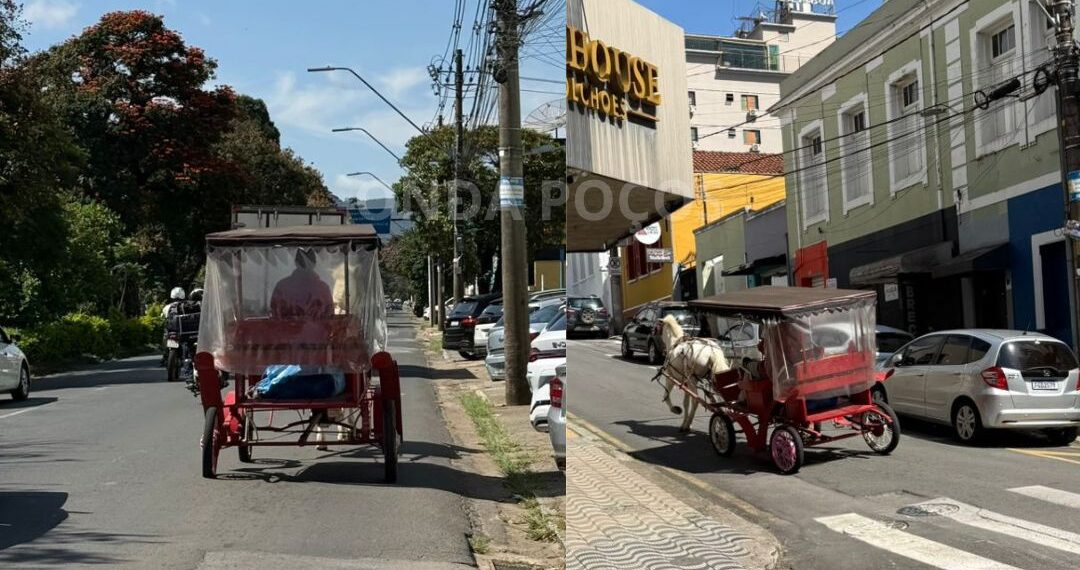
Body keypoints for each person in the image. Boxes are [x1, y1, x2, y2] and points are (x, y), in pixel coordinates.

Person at [270, 249, 333, 318]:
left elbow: (275, 315)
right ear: (314, 264)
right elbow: (329, 317)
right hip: (317, 328)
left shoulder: (282, 286)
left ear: (296, 263)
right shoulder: (323, 288)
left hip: (286, 328)